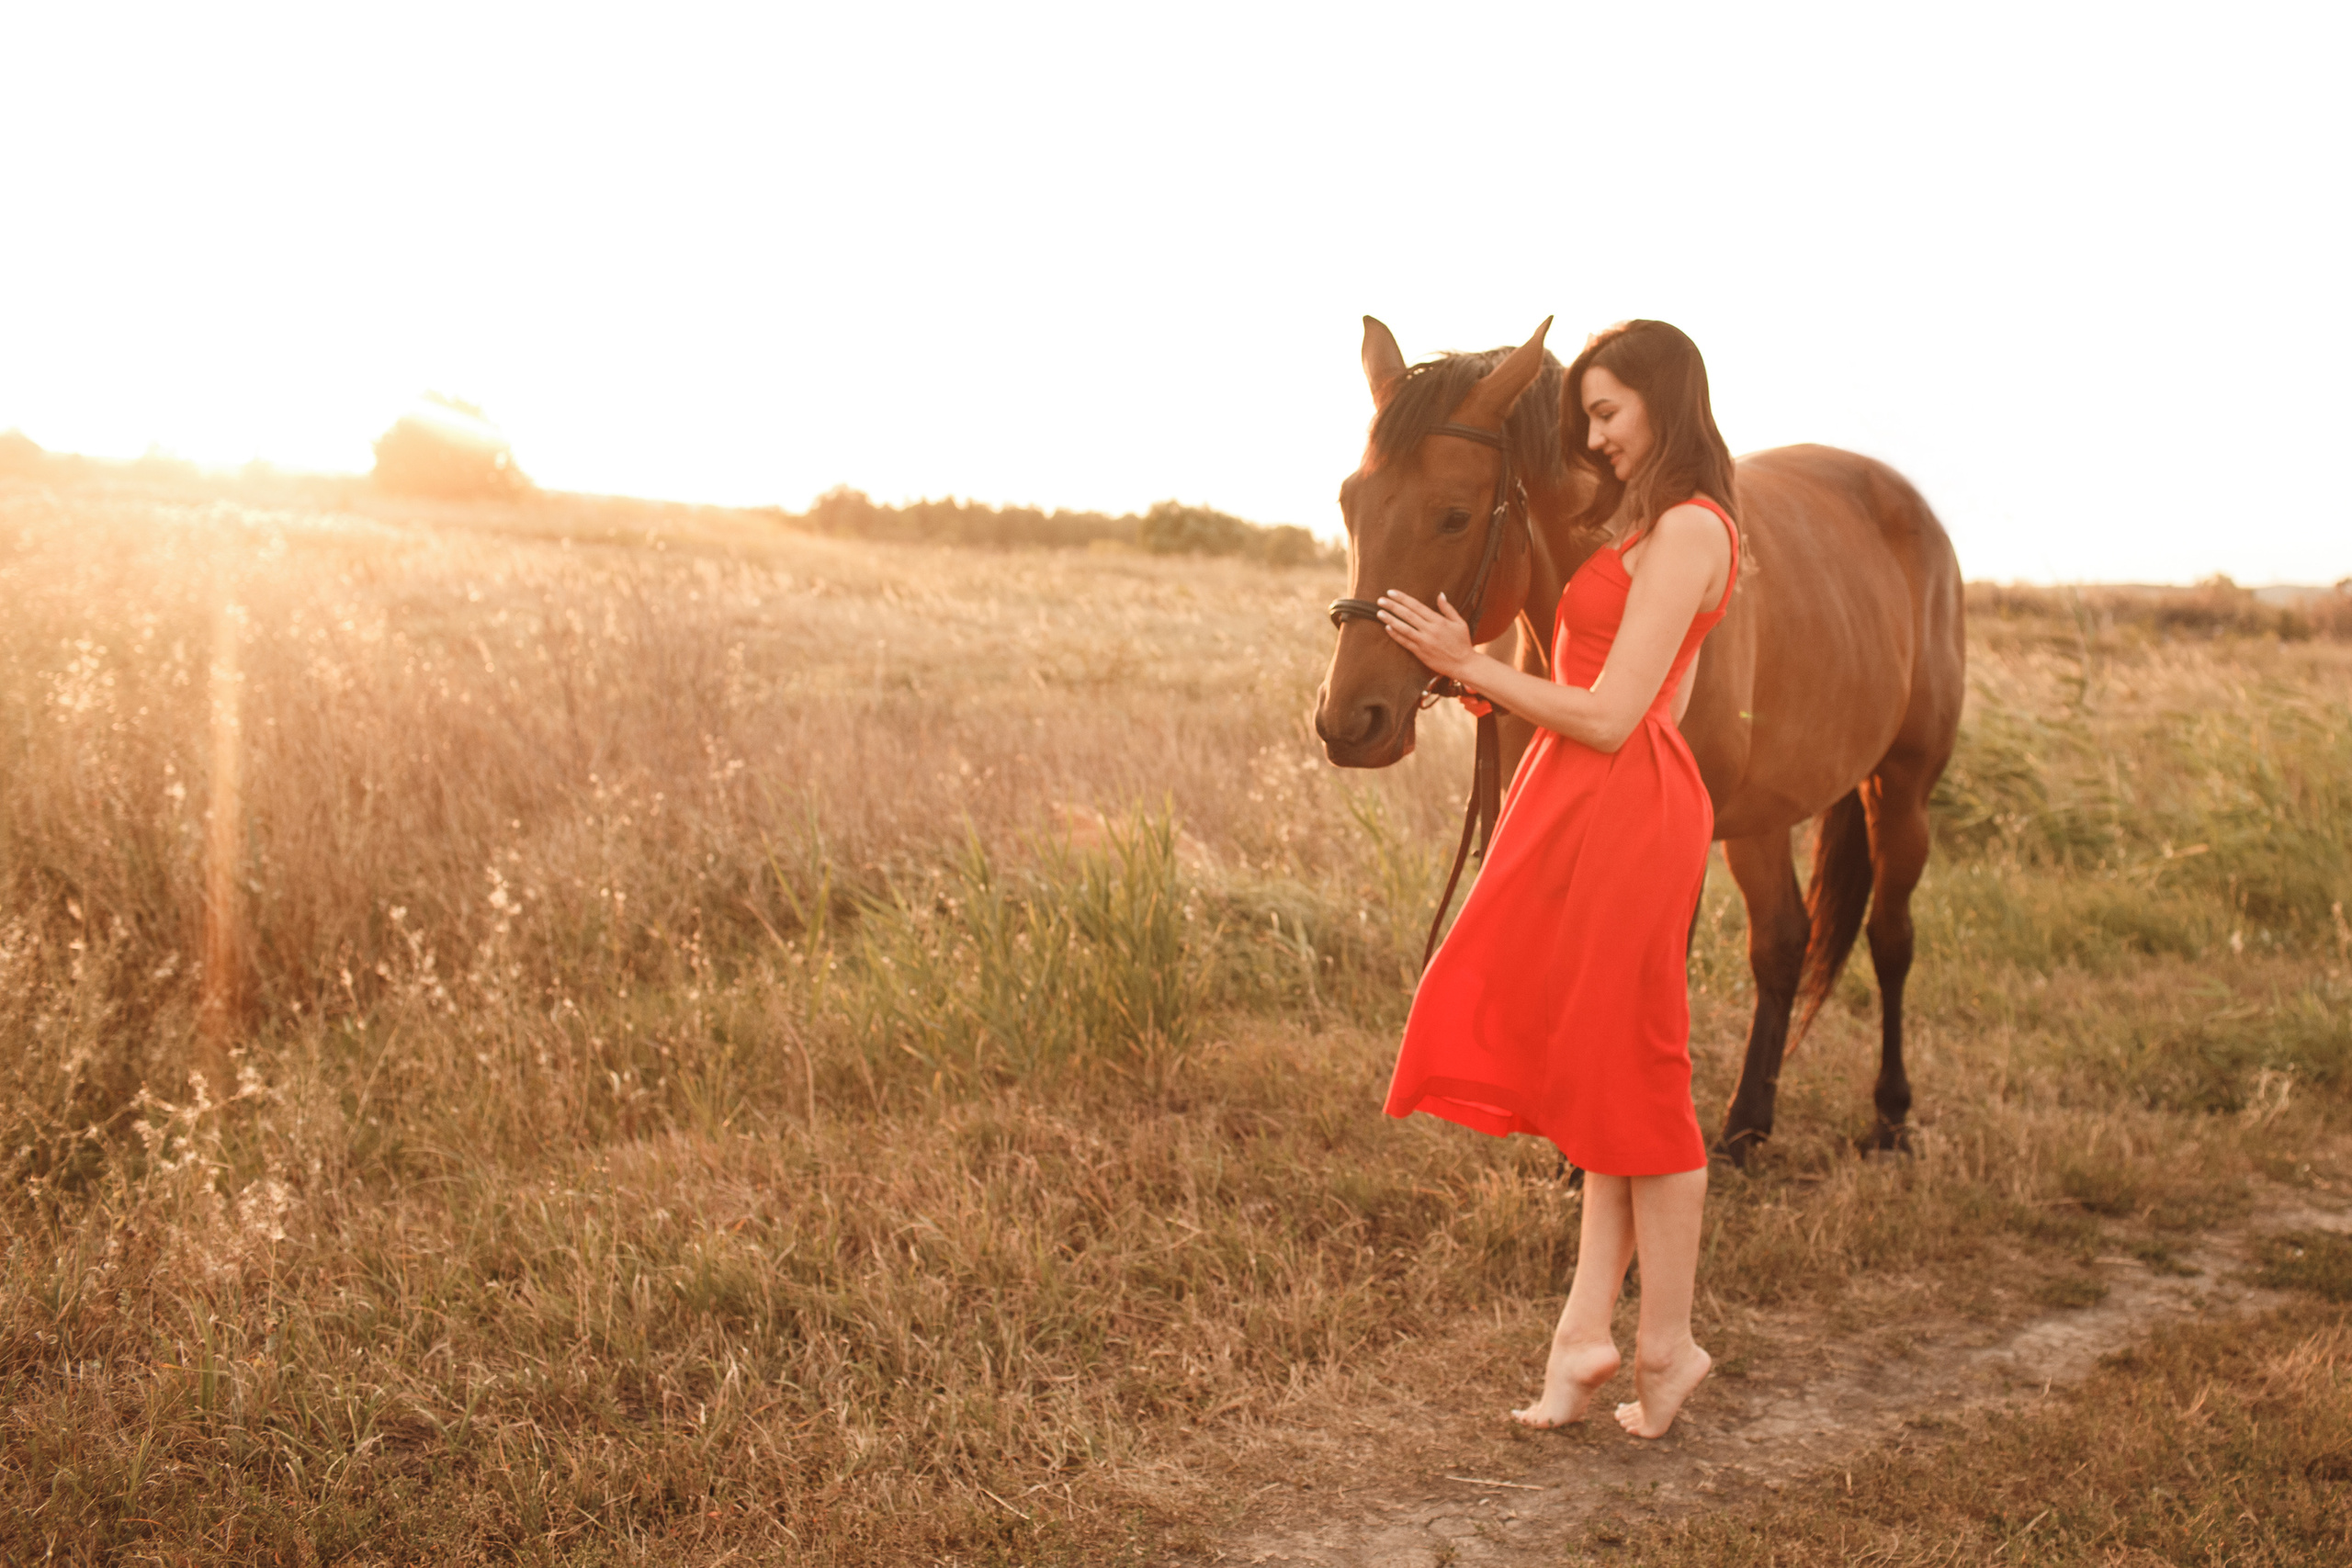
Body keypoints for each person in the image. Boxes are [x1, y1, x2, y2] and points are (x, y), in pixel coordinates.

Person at [1374, 319, 1739, 1440]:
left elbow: (1625, 717)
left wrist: (1471, 667)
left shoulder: (1689, 528)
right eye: (1585, 412)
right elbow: (1623, 691)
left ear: (1665, 406)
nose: (1591, 435)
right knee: (1596, 1073)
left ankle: (1667, 1348)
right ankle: (1586, 1338)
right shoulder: (1644, 527)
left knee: (1641, 1076)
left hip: (1625, 808)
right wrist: (1481, 679)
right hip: (1581, 798)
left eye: (1607, 412)